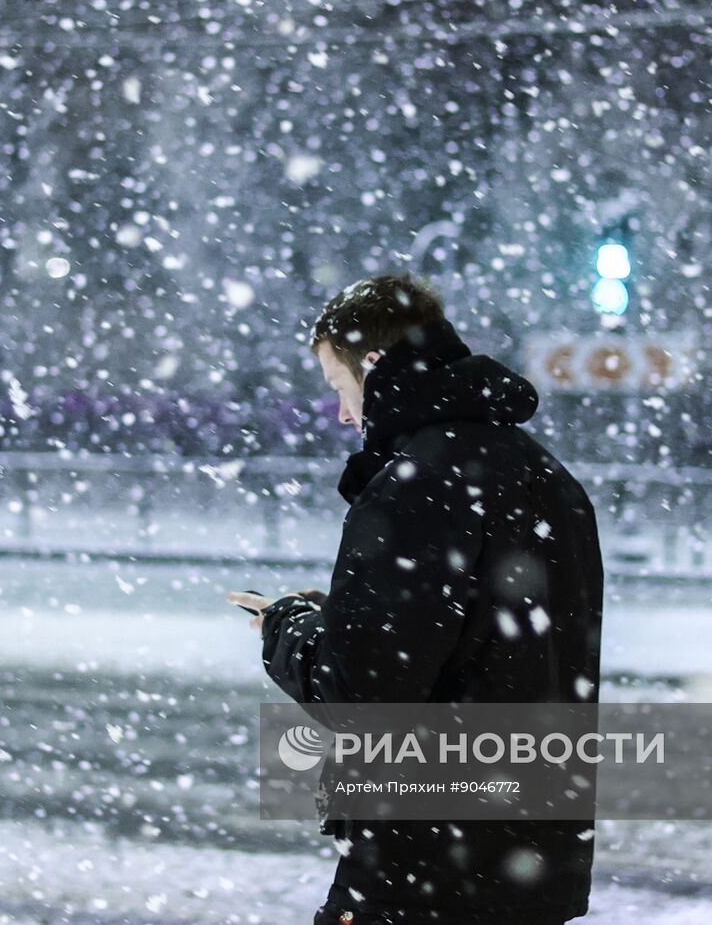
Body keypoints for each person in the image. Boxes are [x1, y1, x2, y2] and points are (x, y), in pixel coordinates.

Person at [228, 274, 603, 924]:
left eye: (339, 388)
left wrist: (286, 628)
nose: (345, 413)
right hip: (533, 859)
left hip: (424, 865)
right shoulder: (546, 474)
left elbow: (363, 696)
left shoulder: (419, 483)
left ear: (374, 365)